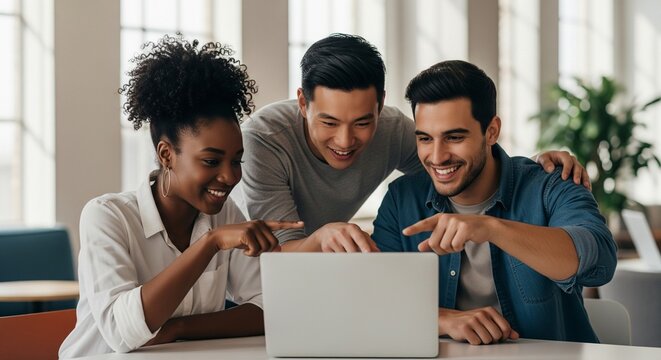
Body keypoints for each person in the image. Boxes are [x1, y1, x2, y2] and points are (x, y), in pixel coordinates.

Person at [59, 36, 302, 358]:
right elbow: (122, 332)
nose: (230, 176)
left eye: (236, 160)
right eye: (211, 161)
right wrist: (210, 243)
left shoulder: (226, 215)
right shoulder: (107, 216)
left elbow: (268, 308)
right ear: (166, 155)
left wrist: (178, 329)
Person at [236, 33, 591, 253]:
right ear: (302, 103)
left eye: (363, 122)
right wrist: (322, 236)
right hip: (250, 270)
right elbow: (277, 257)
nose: (345, 141)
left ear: (380, 104)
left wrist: (532, 167)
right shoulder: (265, 140)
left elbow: (460, 162)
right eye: (328, 122)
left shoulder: (393, 130)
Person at [372, 60, 617, 345]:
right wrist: (441, 319)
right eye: (425, 138)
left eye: (454, 137)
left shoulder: (551, 184)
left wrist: (490, 228)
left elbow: (599, 259)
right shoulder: (401, 200)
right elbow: (376, 301)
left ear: (491, 131)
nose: (437, 157)